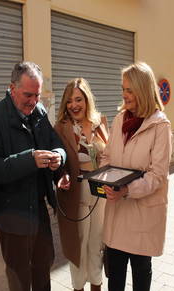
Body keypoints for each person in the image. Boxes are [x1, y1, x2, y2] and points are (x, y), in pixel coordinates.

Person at [0, 61, 66, 291]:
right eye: (28, 95)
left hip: (39, 211)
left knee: (44, 268)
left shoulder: (40, 112)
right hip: (11, 215)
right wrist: (29, 160)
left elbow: (57, 144)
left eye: (37, 95)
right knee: (19, 278)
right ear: (12, 88)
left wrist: (59, 157)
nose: (34, 101)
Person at [100, 62, 172, 291]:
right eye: (123, 89)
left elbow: (158, 175)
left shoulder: (161, 125)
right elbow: (107, 156)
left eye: (129, 90)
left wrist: (127, 190)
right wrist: (103, 180)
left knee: (141, 275)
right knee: (116, 277)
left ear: (143, 89)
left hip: (143, 217)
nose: (125, 95)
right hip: (118, 213)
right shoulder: (120, 119)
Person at [55, 78, 109, 291]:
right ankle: (78, 287)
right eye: (69, 101)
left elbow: (110, 155)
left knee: (96, 244)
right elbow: (57, 161)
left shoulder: (100, 123)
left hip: (100, 190)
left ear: (87, 100)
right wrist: (60, 175)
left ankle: (96, 285)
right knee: (78, 246)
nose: (74, 105)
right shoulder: (61, 127)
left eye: (78, 99)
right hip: (76, 192)